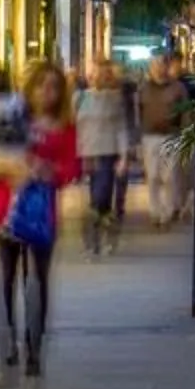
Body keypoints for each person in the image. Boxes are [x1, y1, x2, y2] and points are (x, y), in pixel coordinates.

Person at [0, 63, 75, 379]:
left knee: (37, 280)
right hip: (4, 207)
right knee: (5, 278)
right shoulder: (11, 115)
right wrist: (6, 166)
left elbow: (70, 168)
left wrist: (47, 170)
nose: (46, 93)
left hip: (39, 211)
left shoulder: (64, 126)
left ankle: (34, 346)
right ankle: (8, 341)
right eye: (41, 86)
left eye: (53, 87)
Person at [76, 58, 130, 254]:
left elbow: (121, 129)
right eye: (95, 73)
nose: (98, 77)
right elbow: (75, 127)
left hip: (108, 153)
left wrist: (124, 157)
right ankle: (95, 238)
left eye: (103, 73)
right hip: (86, 153)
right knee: (92, 198)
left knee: (102, 196)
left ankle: (102, 233)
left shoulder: (115, 99)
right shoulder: (80, 98)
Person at [137, 50, 191, 226]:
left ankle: (168, 211)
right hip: (149, 137)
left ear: (167, 67)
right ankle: (155, 211)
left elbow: (186, 113)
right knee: (152, 176)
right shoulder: (143, 88)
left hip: (172, 136)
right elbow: (137, 112)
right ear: (151, 68)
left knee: (170, 176)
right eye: (155, 66)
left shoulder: (178, 88)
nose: (159, 69)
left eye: (162, 65)